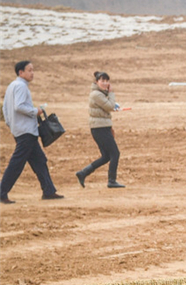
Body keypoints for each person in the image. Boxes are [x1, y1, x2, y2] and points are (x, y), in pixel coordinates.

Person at [1, 60, 63, 204]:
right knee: (16, 164)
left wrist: (11, 125)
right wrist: (36, 111)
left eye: (33, 70)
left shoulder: (12, 86)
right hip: (26, 131)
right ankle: (1, 192)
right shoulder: (21, 86)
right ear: (20, 72)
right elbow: (19, 106)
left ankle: (49, 191)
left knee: (40, 161)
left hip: (21, 130)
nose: (32, 73)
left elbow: (5, 109)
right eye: (29, 70)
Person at [77, 71, 124, 188]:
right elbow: (109, 106)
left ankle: (83, 173)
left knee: (106, 156)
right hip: (100, 128)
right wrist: (111, 93)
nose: (105, 83)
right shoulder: (96, 94)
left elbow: (107, 108)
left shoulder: (101, 94)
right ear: (96, 82)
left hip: (102, 127)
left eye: (107, 81)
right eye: (102, 81)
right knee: (115, 154)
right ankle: (111, 181)